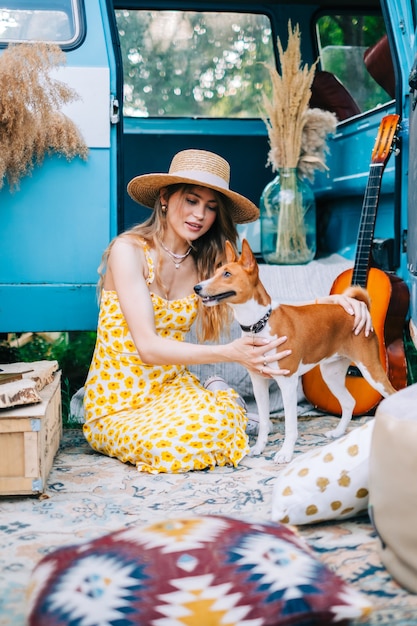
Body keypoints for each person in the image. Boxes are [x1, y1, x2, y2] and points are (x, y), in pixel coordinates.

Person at [83, 149, 371, 474]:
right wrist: (233, 352)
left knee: (224, 425)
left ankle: (212, 391)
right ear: (164, 197)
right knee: (172, 445)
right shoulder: (128, 251)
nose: (199, 215)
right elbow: (147, 348)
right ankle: (209, 393)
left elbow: (263, 297)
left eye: (210, 207)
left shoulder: (204, 265)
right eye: (191, 201)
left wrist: (331, 302)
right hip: (120, 398)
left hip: (171, 389)